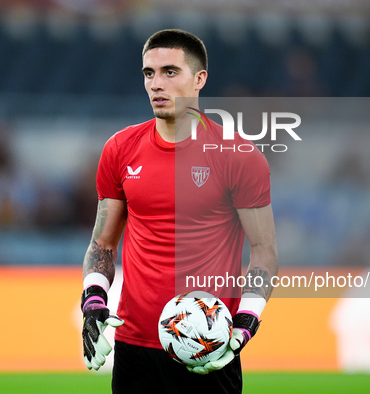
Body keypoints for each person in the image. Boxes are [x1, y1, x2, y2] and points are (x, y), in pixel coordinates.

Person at [80, 29, 278, 394]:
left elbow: (264, 251)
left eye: (170, 72)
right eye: (148, 73)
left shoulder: (239, 156)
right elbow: (102, 244)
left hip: (209, 347)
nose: (157, 84)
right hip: (134, 345)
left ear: (200, 79)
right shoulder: (120, 150)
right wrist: (92, 301)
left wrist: (247, 321)